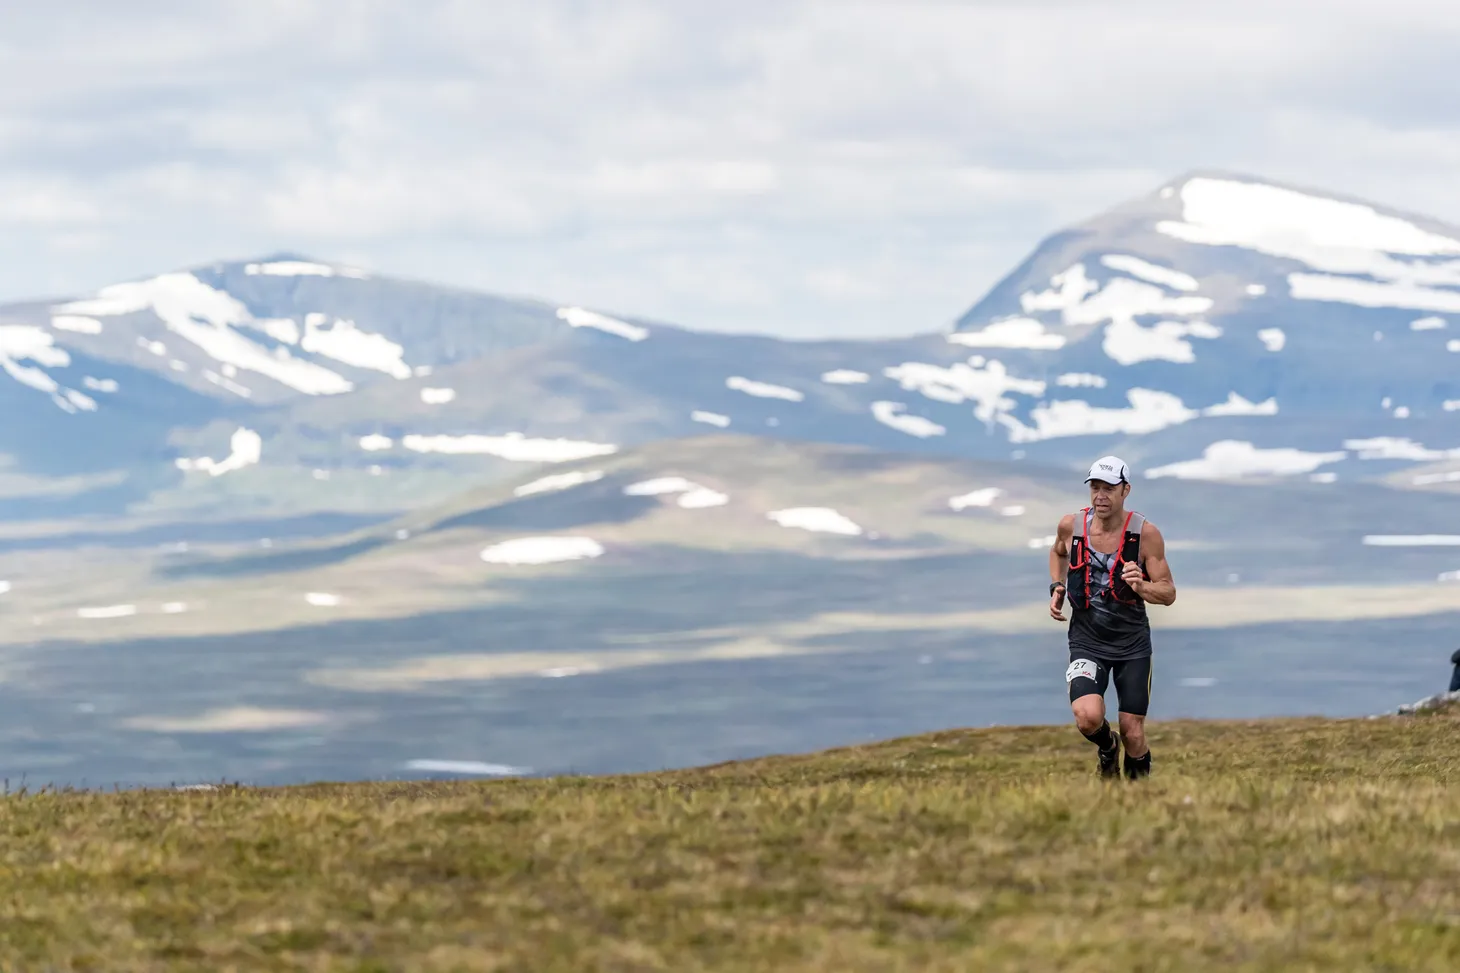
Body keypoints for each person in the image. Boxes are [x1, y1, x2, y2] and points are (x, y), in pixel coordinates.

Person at [1048, 456, 1176, 780]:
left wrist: (1141, 585)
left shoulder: (1145, 534)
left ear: (1125, 491)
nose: (1100, 495)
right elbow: (1057, 552)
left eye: (1109, 488)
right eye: (1095, 487)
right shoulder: (1072, 526)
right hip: (1086, 641)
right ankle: (1107, 747)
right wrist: (1058, 586)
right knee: (1087, 717)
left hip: (1131, 645)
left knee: (1134, 732)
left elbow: (1168, 592)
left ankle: (1136, 801)